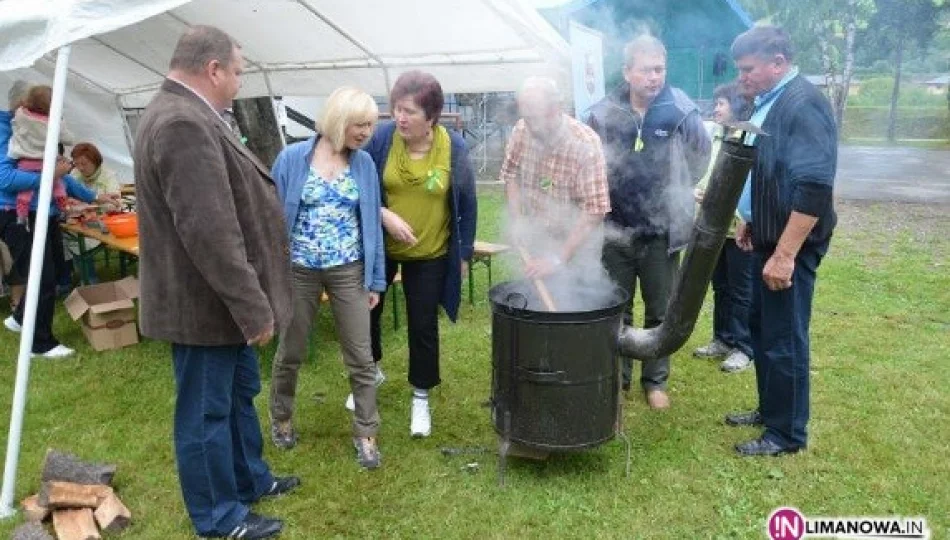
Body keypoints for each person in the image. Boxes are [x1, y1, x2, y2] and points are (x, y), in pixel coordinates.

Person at [133, 26, 299, 538]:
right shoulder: (182, 122)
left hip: (215, 303)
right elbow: (210, 231)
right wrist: (254, 308)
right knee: (205, 413)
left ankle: (250, 480)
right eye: (238, 73)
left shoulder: (189, 114)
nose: (238, 83)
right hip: (204, 306)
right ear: (213, 70)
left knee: (235, 395)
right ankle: (218, 518)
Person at [725, 25, 837, 457]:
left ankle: (786, 434)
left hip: (790, 247)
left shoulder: (803, 103)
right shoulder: (770, 102)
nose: (743, 78)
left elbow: (813, 186)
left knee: (784, 337)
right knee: (761, 328)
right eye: (739, 70)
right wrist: (751, 219)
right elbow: (770, 173)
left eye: (749, 69)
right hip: (766, 238)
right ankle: (772, 409)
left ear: (778, 62)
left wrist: (786, 253)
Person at [586, 35, 711, 409]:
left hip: (661, 232)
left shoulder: (680, 111)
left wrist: (675, 192)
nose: (654, 77)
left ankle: (655, 382)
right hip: (616, 229)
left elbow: (700, 158)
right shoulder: (603, 112)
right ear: (627, 72)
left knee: (661, 310)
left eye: (660, 69)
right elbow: (588, 158)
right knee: (617, 306)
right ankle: (618, 378)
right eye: (646, 70)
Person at [267, 86, 386, 470]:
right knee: (291, 350)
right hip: (298, 270)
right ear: (338, 121)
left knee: (361, 357)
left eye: (370, 124)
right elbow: (270, 218)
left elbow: (371, 224)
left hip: (349, 270)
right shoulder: (291, 159)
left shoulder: (364, 164)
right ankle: (281, 417)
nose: (366, 131)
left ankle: (366, 433)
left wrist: (376, 280)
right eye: (359, 124)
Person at [364, 70, 477, 438]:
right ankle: (371, 372)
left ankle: (420, 397)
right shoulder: (381, 139)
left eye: (410, 111)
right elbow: (359, 185)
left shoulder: (453, 148)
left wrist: (461, 255)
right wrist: (383, 213)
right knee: (367, 312)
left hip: (431, 252)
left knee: (423, 324)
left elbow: (468, 204)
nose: (400, 118)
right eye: (397, 108)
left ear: (431, 116)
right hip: (383, 249)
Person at [1, 81, 95, 358]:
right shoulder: (9, 131)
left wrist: (92, 197)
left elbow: (58, 171)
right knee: (42, 277)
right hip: (19, 215)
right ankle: (39, 344)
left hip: (44, 212)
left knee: (49, 274)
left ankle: (20, 319)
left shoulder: (36, 129)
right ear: (23, 107)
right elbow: (5, 179)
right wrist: (51, 175)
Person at [500, 76, 610, 284]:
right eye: (526, 117)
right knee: (538, 298)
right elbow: (511, 174)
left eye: (535, 118)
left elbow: (595, 209)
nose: (530, 126)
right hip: (539, 234)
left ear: (556, 108)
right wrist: (517, 221)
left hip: (578, 242)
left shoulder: (585, 144)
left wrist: (558, 258)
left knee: (578, 303)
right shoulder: (522, 129)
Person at [692, 82, 754, 373]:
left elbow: (748, 183)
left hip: (740, 227)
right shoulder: (716, 135)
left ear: (738, 107)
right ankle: (722, 339)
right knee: (721, 286)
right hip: (715, 225)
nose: (716, 108)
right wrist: (699, 191)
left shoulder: (749, 138)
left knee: (742, 289)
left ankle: (744, 347)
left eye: (722, 103)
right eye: (716, 103)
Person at [7, 85, 72, 227]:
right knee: (57, 185)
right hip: (47, 161)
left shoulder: (22, 115)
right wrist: (61, 120)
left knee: (25, 191)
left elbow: (17, 109)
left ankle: (22, 215)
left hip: (27, 161)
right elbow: (69, 139)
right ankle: (63, 208)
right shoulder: (54, 122)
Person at [65, 142, 122, 284]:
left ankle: (90, 278)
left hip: (105, 222)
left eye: (84, 163)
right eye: (77, 164)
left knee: (80, 239)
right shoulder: (74, 174)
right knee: (66, 236)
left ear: (95, 161)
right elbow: (66, 199)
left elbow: (115, 204)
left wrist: (91, 206)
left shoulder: (108, 176)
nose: (80, 168)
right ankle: (69, 277)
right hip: (82, 222)